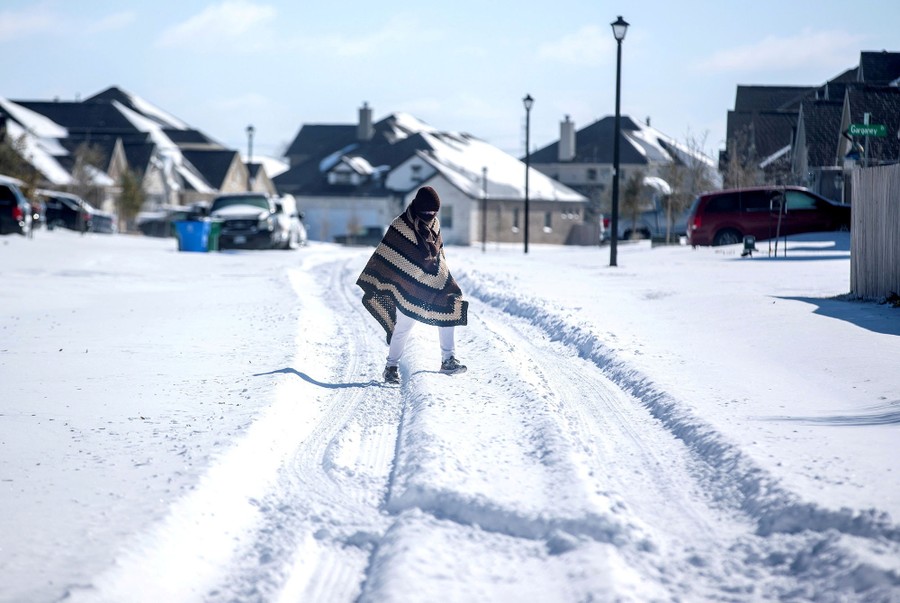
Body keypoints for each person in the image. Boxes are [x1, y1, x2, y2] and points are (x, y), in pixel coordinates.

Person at [357, 186, 468, 384]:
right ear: (418, 208)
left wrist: (442, 276)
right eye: (427, 212)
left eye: (434, 212)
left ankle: (448, 359)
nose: (430, 215)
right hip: (407, 285)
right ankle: (391, 367)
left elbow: (438, 255)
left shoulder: (435, 224)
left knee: (449, 306)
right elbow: (389, 255)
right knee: (403, 327)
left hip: (432, 281)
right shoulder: (400, 225)